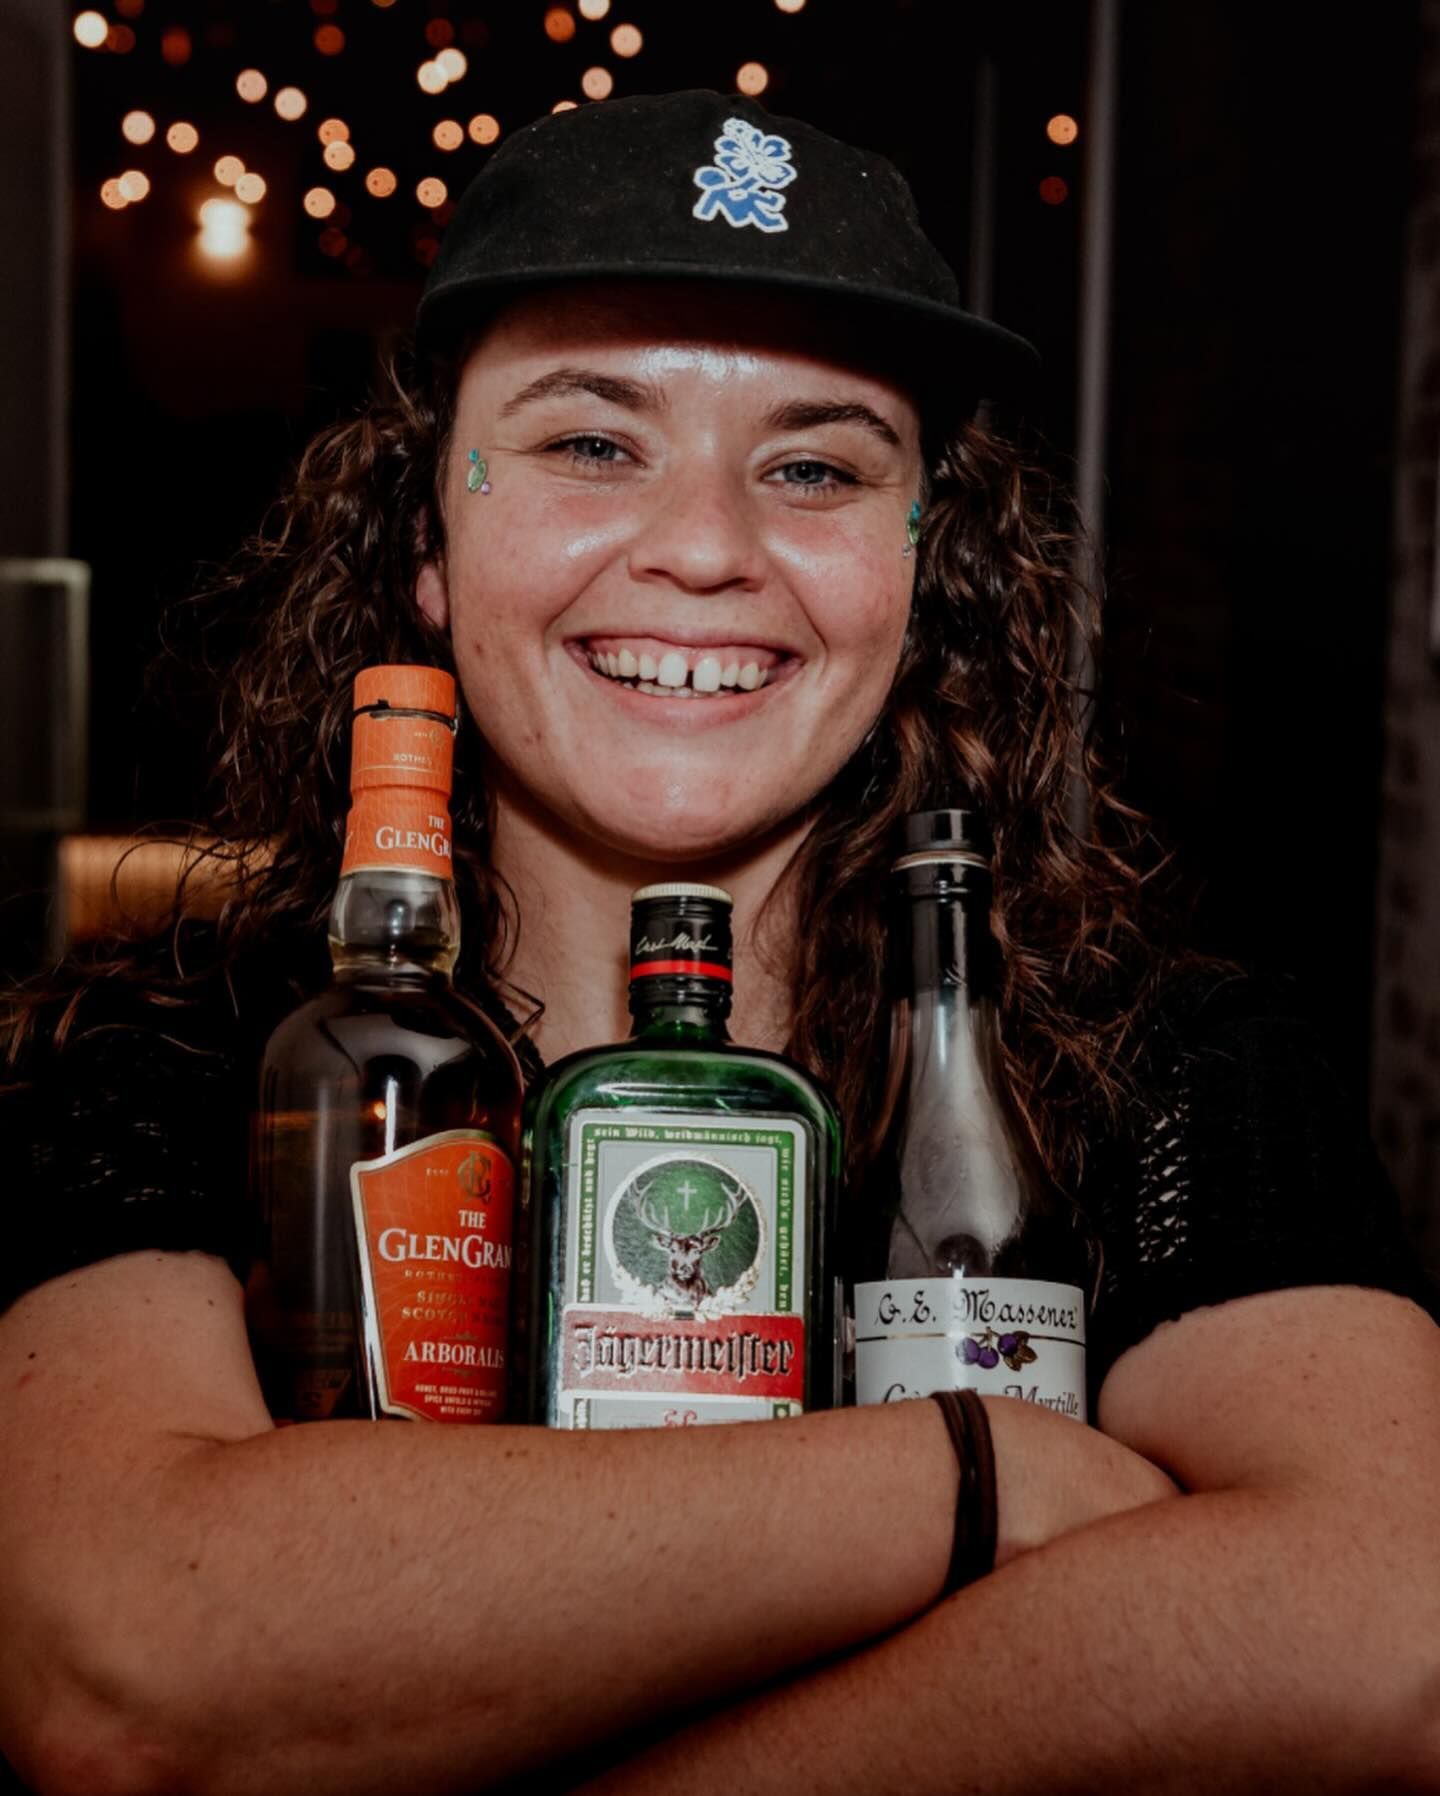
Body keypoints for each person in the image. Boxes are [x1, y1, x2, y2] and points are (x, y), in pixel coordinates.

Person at [1, 89, 1437, 1796]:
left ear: (929, 575)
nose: (701, 550)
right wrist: (982, 1479)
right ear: (427, 547)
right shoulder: (170, 1058)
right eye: (593, 443)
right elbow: (128, 1664)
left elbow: (1385, 1641)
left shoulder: (1154, 1072)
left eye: (815, 468)